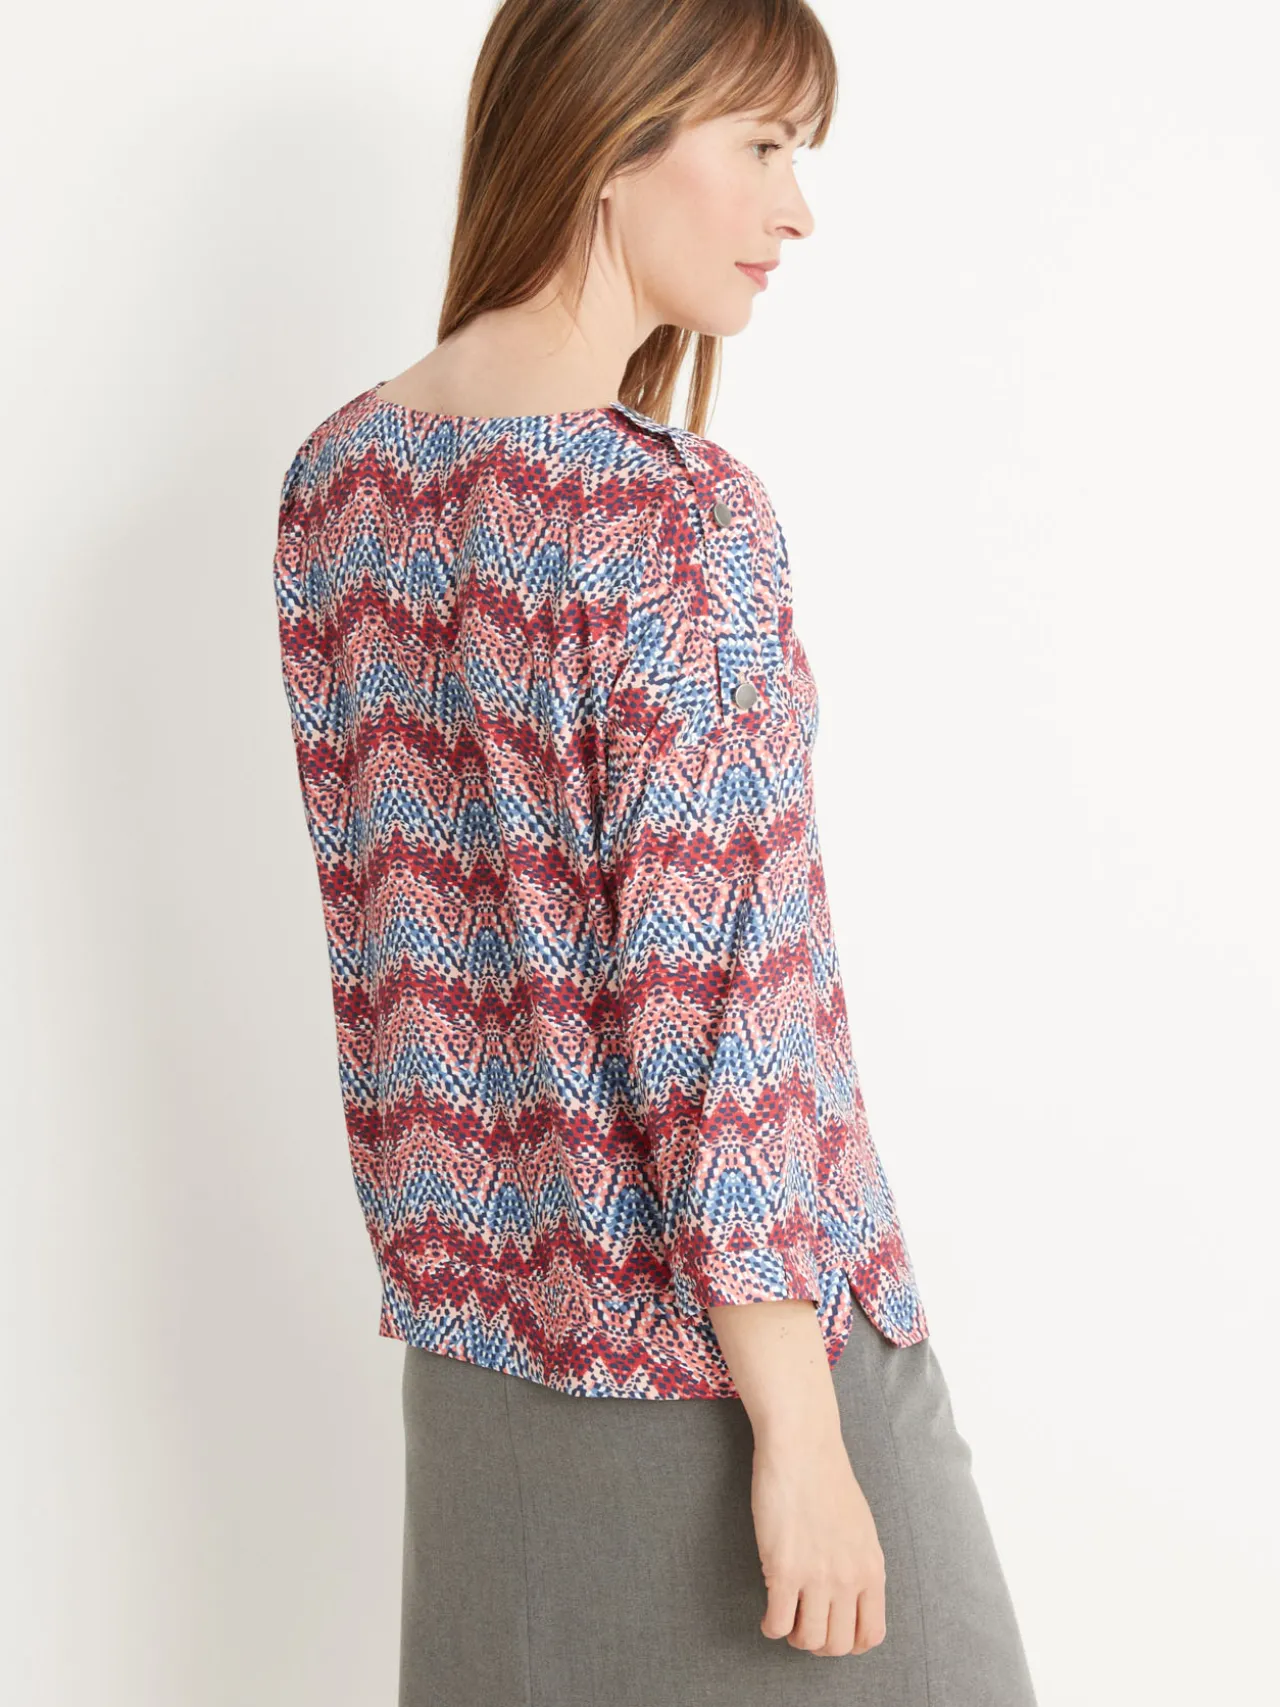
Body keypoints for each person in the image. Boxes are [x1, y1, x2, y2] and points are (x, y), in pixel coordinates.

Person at [271, 1, 1040, 1702]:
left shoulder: (339, 490)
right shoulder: (677, 523)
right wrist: (804, 1439)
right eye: (761, 145)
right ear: (615, 142)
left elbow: (398, 971)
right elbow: (719, 1014)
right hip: (728, 1377)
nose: (795, 209)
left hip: (481, 1390)